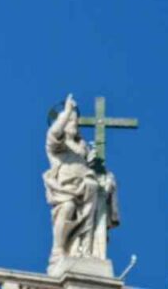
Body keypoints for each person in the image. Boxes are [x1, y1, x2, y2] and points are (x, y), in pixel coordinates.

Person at [42, 95, 118, 271]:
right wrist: (67, 111)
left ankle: (83, 249)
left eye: (76, 121)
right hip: (65, 189)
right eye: (70, 121)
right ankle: (58, 250)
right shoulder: (57, 146)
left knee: (88, 219)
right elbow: (53, 133)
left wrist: (94, 168)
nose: (74, 124)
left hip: (87, 190)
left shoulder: (82, 148)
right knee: (67, 208)